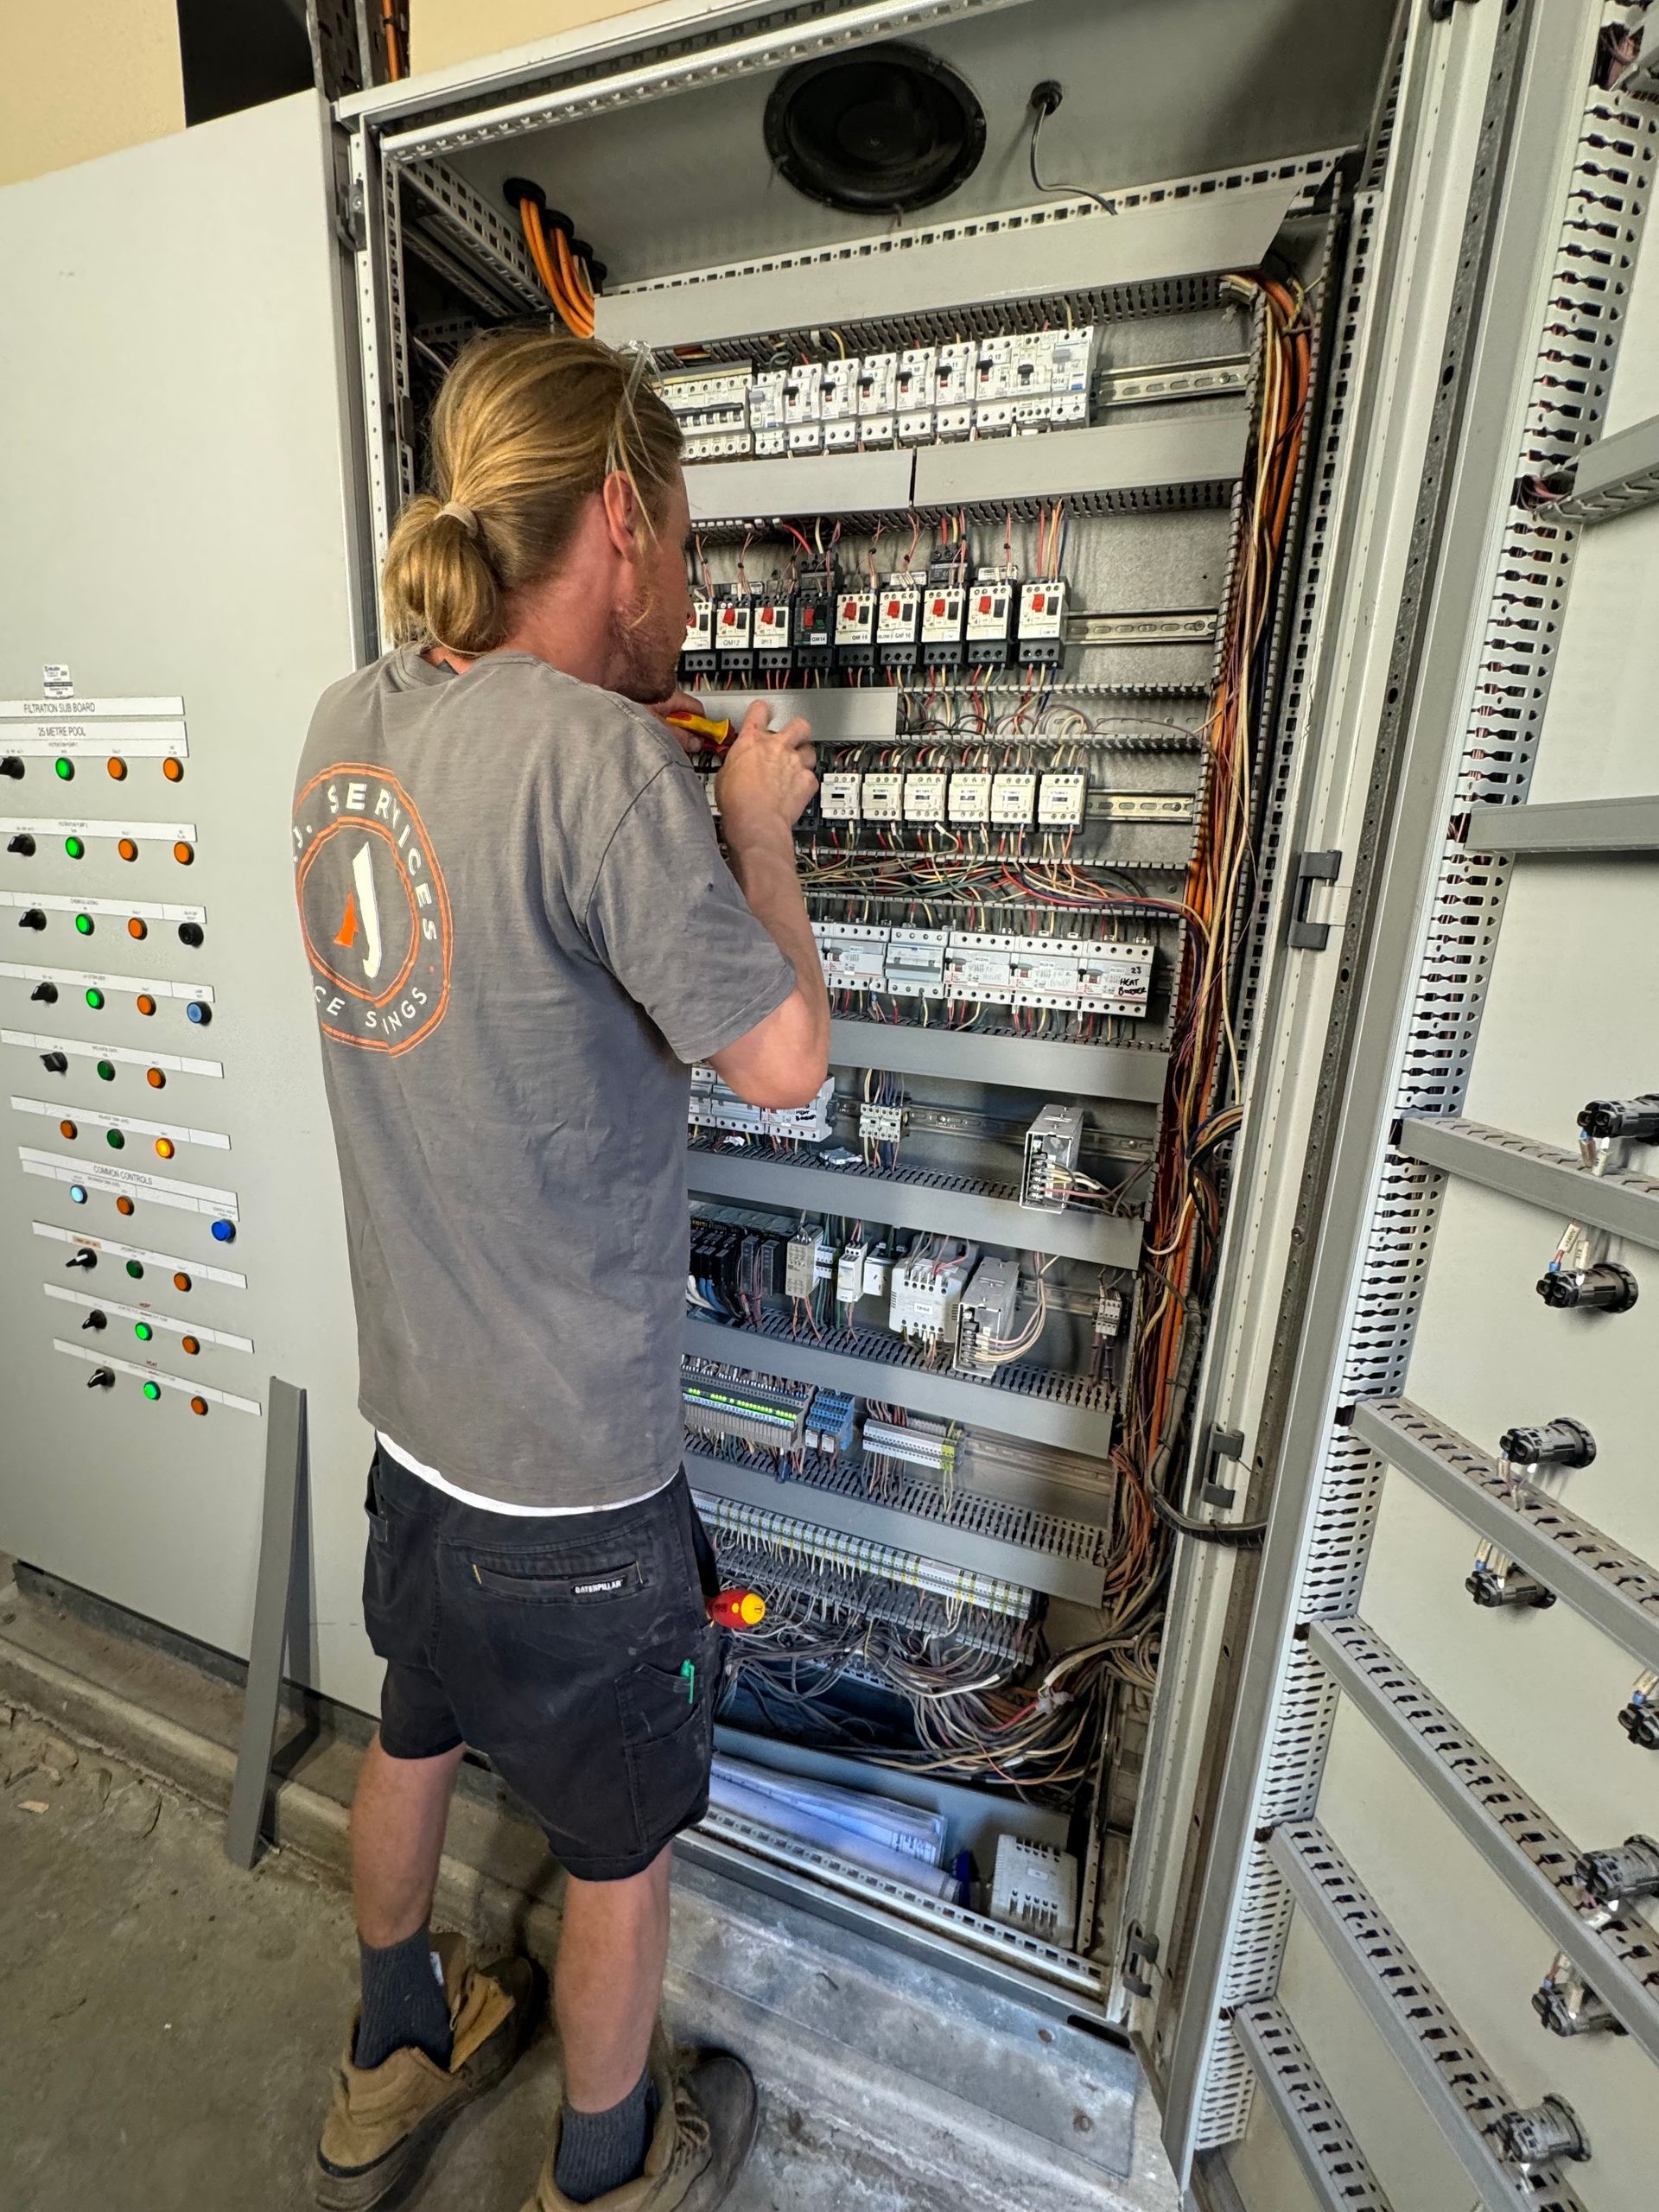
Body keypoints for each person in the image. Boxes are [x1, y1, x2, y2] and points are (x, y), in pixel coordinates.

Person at [291, 330, 827, 2212]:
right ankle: (610, 2172)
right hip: (578, 1488)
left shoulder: (345, 721)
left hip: (413, 1431)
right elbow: (783, 1058)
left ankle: (389, 2052)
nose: (686, 573)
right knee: (617, 1850)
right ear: (621, 516)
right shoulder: (607, 765)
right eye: (682, 532)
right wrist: (752, 833)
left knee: (412, 1728)